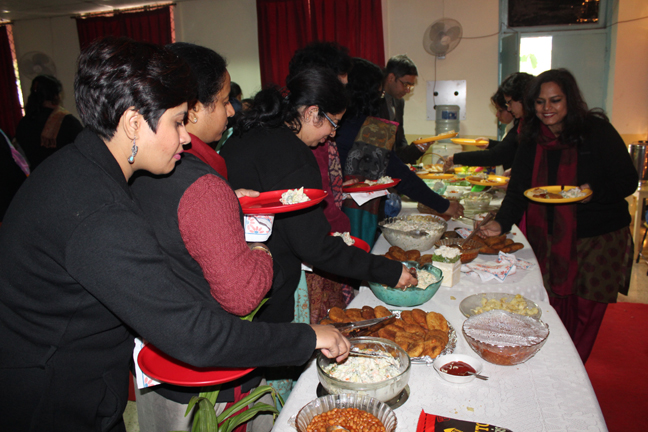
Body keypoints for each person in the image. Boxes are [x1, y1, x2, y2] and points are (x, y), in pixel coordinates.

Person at [0, 37, 350, 432]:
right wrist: (307, 337)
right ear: (134, 123)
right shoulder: (99, 213)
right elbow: (196, 335)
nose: (185, 137)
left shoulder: (76, 165)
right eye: (177, 122)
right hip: (50, 396)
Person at [129, 43, 274, 432]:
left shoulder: (134, 165)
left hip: (160, 356)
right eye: (224, 101)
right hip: (207, 374)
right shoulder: (201, 185)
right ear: (191, 109)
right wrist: (261, 250)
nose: (232, 111)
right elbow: (241, 294)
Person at [221, 67, 418, 326]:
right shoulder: (292, 154)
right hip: (262, 287)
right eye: (333, 123)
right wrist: (387, 271)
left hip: (231, 273)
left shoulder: (252, 131)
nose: (332, 134)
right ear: (312, 113)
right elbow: (314, 246)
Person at [478, 69, 638, 363]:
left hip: (599, 238)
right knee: (552, 305)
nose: (546, 108)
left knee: (586, 310)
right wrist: (500, 223)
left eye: (555, 100)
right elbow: (519, 190)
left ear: (570, 100)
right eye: (539, 102)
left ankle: (574, 366)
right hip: (551, 239)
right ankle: (553, 360)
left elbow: (628, 180)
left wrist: (593, 191)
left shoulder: (596, 131)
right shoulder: (531, 137)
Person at [337, 58, 463, 246]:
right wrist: (444, 205)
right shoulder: (367, 128)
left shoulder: (337, 120)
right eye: (379, 92)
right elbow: (398, 172)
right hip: (353, 215)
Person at [444, 73, 534, 172]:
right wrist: (490, 144)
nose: (509, 108)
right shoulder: (522, 123)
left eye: (509, 103)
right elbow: (509, 148)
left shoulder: (528, 125)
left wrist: (456, 158)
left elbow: (496, 155)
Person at [14, 74, 83, 169]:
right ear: (56, 96)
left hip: (36, 175)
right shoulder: (67, 121)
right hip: (65, 172)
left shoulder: (23, 123)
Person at [379, 54, 428, 164]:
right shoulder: (373, 100)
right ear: (391, 78)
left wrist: (415, 149)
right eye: (405, 84)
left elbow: (400, 140)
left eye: (410, 86)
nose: (408, 90)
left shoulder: (399, 102)